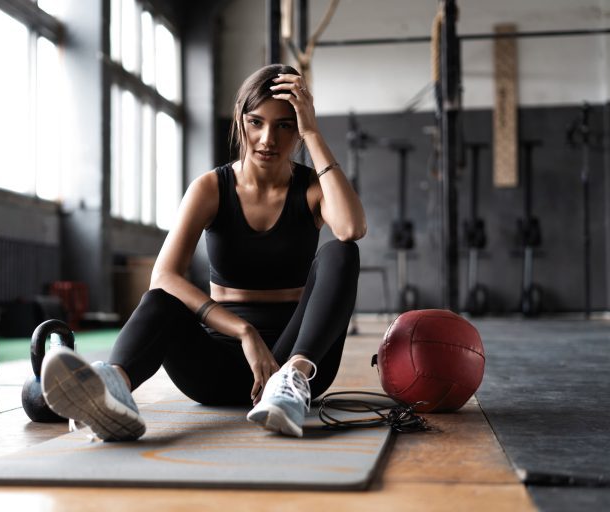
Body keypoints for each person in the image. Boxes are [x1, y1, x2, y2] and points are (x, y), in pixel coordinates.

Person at [41, 63, 366, 441]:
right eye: (255, 122)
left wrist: (313, 132)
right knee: (162, 297)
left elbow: (351, 228)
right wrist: (245, 332)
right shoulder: (211, 187)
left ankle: (293, 378)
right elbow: (163, 275)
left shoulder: (311, 188)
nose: (267, 139)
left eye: (285, 126)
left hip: (295, 367)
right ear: (240, 121)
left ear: (298, 129)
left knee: (341, 253)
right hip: (214, 368)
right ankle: (112, 389)